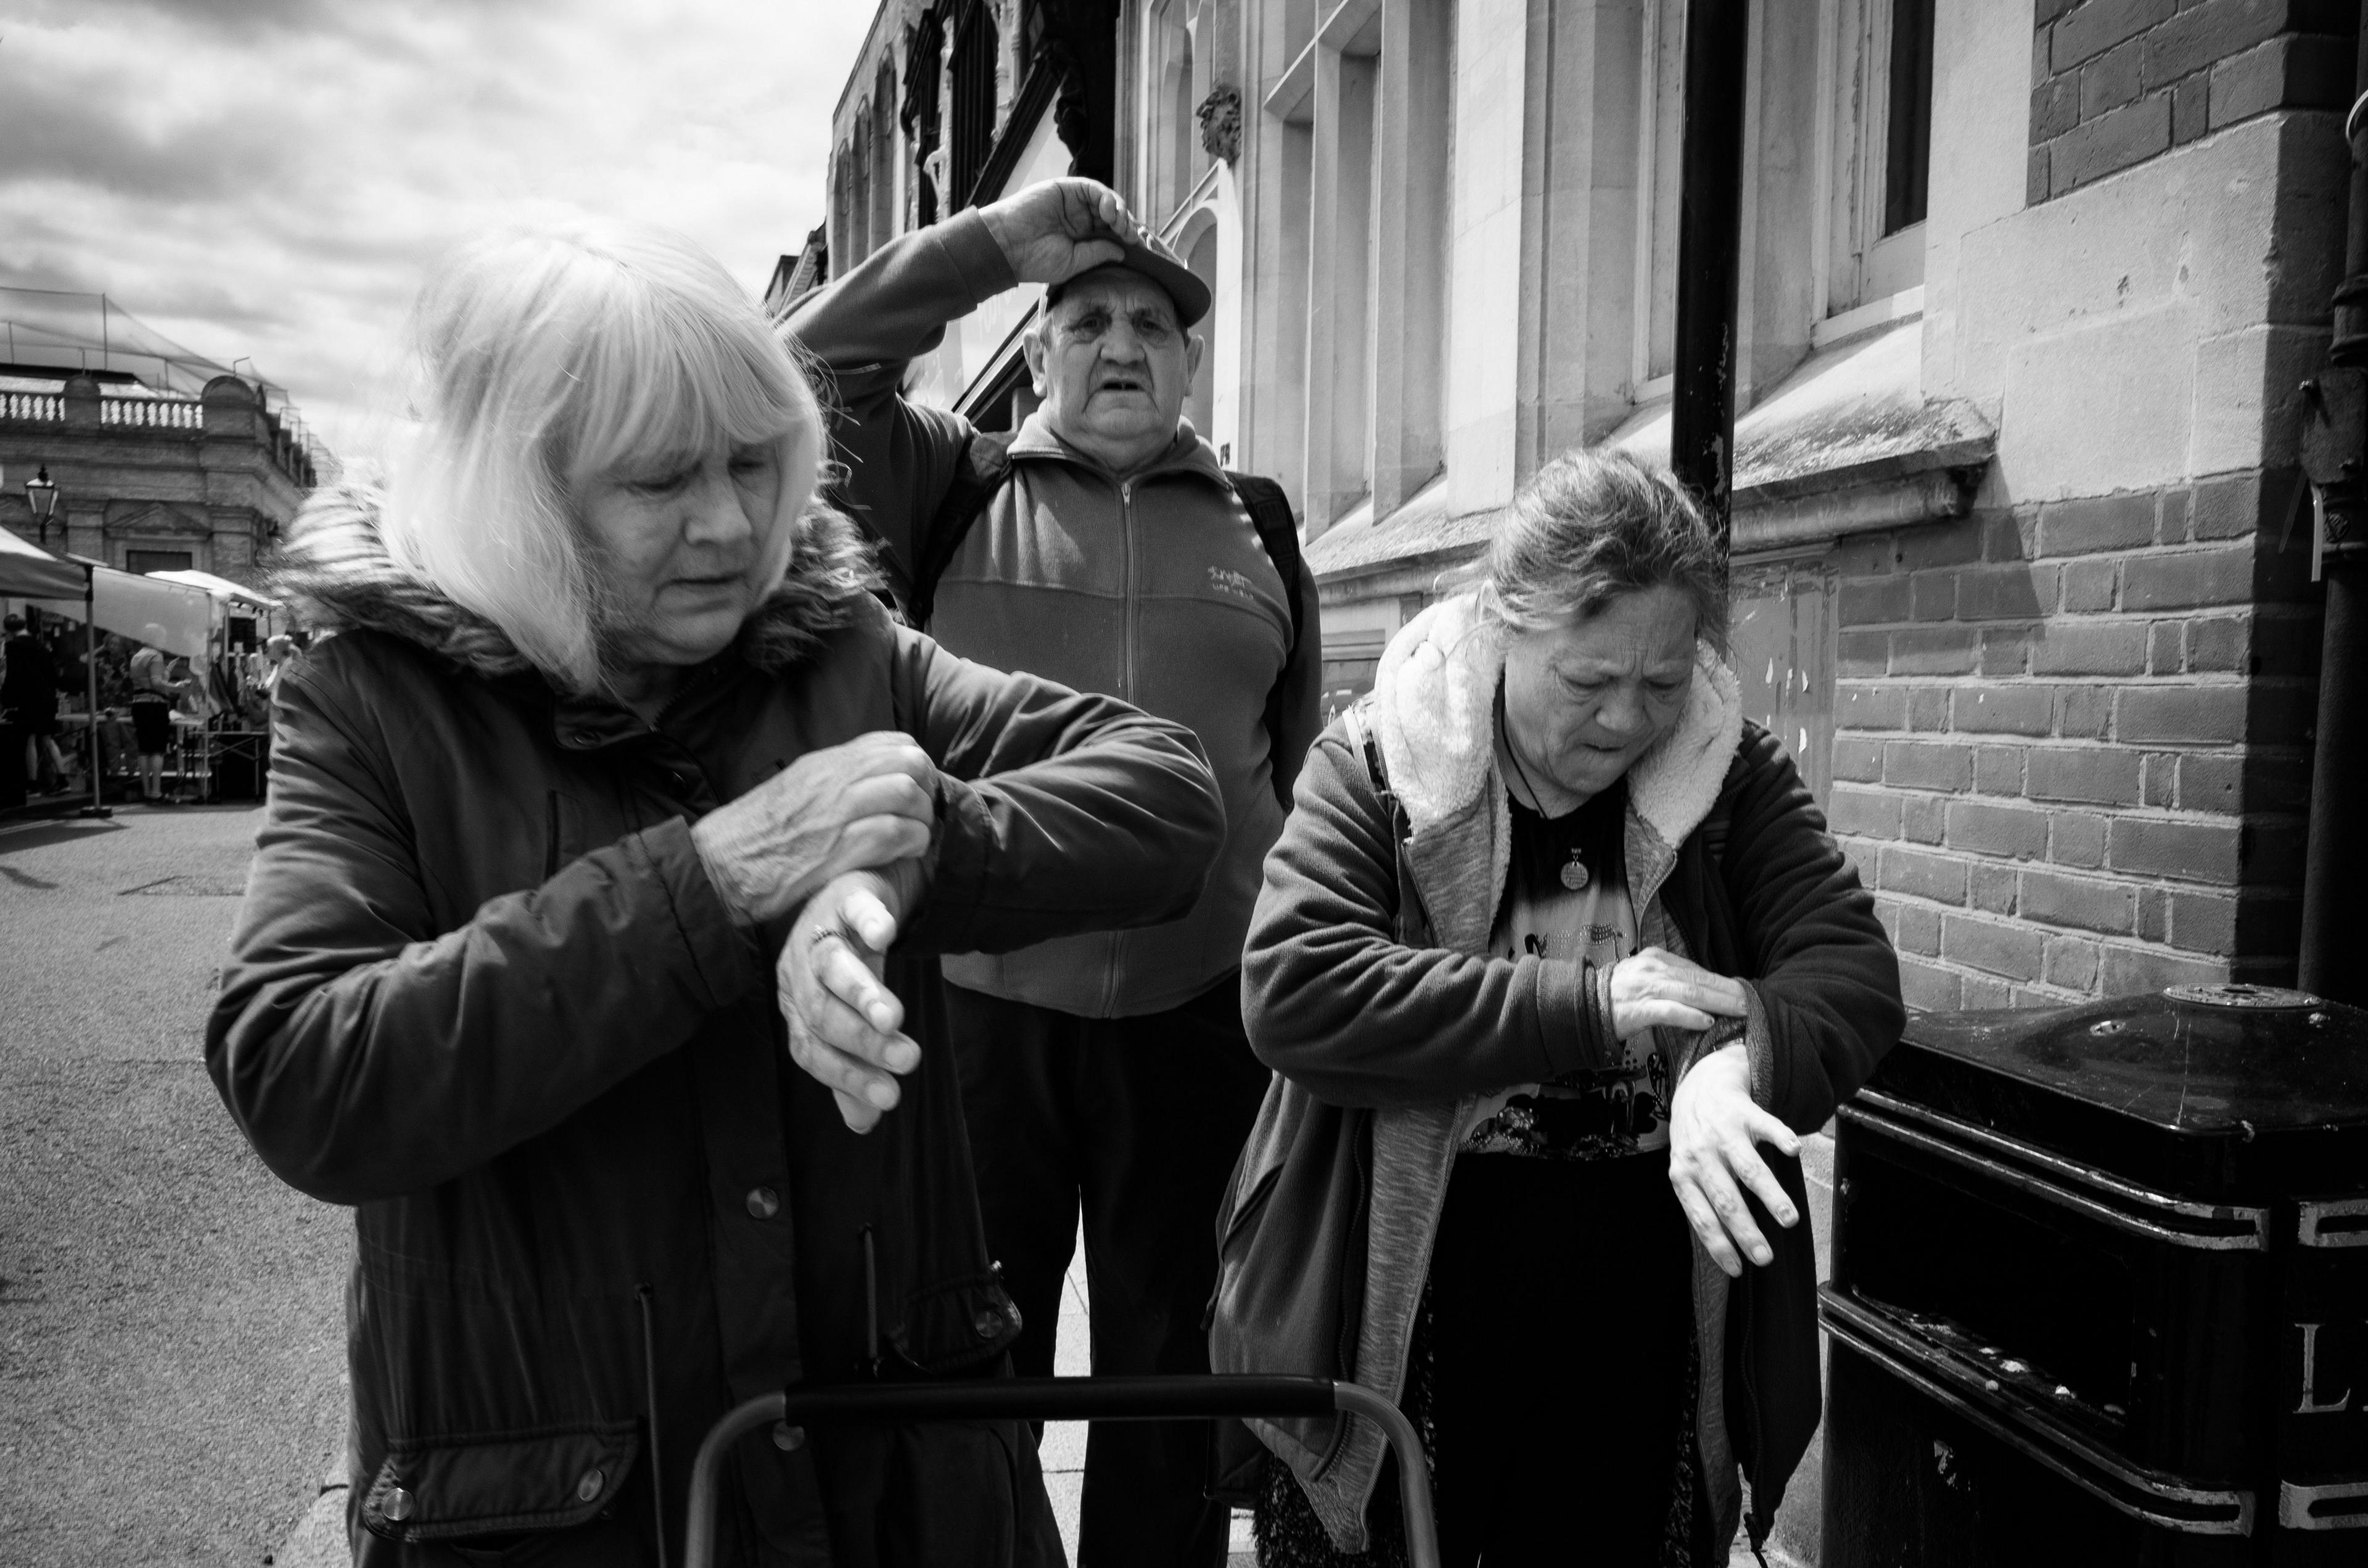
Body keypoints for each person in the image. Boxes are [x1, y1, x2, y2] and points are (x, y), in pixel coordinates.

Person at [205, 217, 1227, 1568]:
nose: (733, 522)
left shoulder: (842, 646)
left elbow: (1163, 789)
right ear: (523, 494)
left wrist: (880, 859)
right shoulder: (370, 699)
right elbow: (304, 1069)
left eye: (755, 463)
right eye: (660, 480)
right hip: (562, 1515)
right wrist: (716, 877)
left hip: (907, 1505)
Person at [1212, 451, 1904, 1567]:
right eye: (1588, 681)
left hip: (1644, 1304)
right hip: (1415, 1296)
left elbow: (1854, 975)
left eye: (1665, 679)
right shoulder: (1382, 759)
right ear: (1503, 626)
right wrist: (1590, 1006)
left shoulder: (1728, 774)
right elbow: (1296, 986)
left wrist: (1737, 1059)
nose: (1628, 719)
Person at [785, 177, 1322, 1566]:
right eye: (1087, 316)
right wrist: (993, 249)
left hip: (1197, 1018)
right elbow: (795, 373)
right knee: (975, 1371)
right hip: (979, 1013)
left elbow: (1292, 760)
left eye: (1154, 320)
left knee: (1170, 1370)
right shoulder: (949, 480)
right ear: (1041, 349)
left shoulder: (1260, 520)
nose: (1123, 342)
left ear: (1194, 360)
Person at [2, 613, 70, 792]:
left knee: (30, 739)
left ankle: (32, 783)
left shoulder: (12, 647)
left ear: (8, 631)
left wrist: (6, 698)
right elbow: (53, 675)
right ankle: (63, 780)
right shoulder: (41, 646)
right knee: (48, 740)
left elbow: (13, 675)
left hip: (28, 699)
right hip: (47, 699)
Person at [125, 640, 193, 802]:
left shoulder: (137, 656)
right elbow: (156, 683)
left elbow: (149, 680)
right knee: (157, 750)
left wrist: (168, 669)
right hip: (155, 706)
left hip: (139, 705)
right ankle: (156, 792)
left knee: (144, 749)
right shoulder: (156, 655)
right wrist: (177, 686)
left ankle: (147, 791)